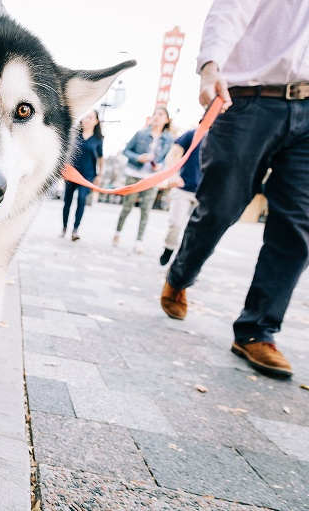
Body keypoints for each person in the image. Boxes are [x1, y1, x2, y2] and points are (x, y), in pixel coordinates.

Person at [160, 0, 309, 379]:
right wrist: (210, 68)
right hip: (249, 99)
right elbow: (231, 9)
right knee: (220, 207)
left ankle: (257, 329)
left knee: (298, 223)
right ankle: (180, 275)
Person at [113, 107, 174, 253]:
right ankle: (118, 233)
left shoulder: (168, 139)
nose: (157, 117)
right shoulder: (141, 134)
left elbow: (167, 158)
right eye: (155, 114)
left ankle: (139, 241)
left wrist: (161, 166)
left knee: (145, 210)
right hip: (134, 173)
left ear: (166, 120)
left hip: (151, 178)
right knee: (127, 206)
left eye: (161, 115)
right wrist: (138, 158)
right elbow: (126, 150)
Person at [158, 127, 205, 266]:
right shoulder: (192, 134)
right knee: (175, 224)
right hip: (183, 187)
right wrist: (173, 174)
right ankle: (169, 248)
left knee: (196, 231)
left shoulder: (224, 136)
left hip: (205, 192)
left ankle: (186, 262)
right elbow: (172, 155)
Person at [61, 110, 104, 241]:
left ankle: (75, 230)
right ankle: (64, 228)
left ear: (96, 121)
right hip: (71, 173)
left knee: (81, 200)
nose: (87, 119)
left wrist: (100, 175)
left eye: (90, 117)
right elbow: (66, 152)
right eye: (85, 117)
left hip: (88, 175)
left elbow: (101, 158)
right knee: (67, 201)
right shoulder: (74, 135)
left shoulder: (98, 140)